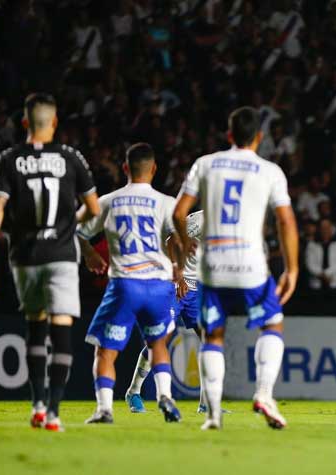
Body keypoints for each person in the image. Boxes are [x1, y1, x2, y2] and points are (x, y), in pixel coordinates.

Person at [173, 106, 298, 430]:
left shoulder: (206, 164)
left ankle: (213, 413)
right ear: (259, 137)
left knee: (212, 335)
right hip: (251, 266)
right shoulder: (270, 171)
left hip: (212, 269)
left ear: (228, 135)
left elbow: (179, 213)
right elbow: (285, 220)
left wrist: (187, 244)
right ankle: (264, 394)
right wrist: (292, 269)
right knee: (272, 324)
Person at [0, 93, 100, 432]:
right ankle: (54, 412)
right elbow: (94, 209)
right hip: (62, 255)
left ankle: (36, 405)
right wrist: (71, 223)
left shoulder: (8, 160)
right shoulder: (71, 158)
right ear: (54, 123)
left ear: (24, 123)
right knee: (61, 327)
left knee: (35, 327)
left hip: (25, 257)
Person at [77, 143, 182, 424]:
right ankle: (165, 397)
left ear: (125, 168)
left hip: (125, 283)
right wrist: (178, 267)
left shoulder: (107, 202)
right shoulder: (166, 202)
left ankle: (104, 410)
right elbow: (179, 239)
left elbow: (77, 231)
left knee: (105, 351)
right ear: (154, 169)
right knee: (158, 345)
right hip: (159, 285)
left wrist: (88, 254)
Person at [124, 210, 207, 414]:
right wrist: (176, 274)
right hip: (175, 285)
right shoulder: (201, 219)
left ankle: (207, 403)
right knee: (159, 339)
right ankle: (133, 392)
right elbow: (171, 240)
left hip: (198, 288)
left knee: (210, 342)